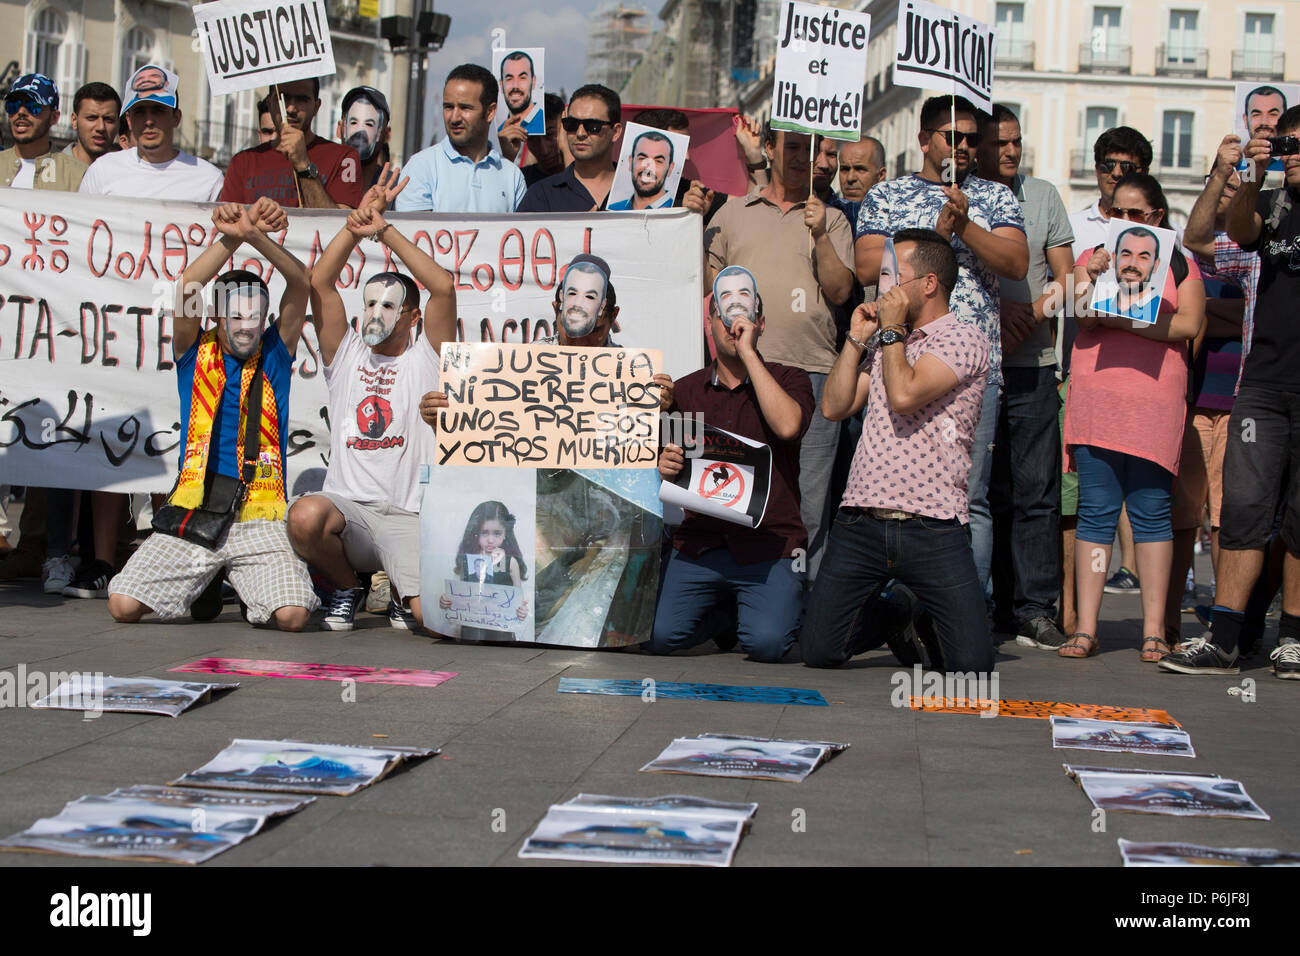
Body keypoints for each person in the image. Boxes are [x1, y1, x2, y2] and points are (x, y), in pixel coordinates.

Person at [106, 198, 317, 630]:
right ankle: (209, 580)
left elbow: (301, 281)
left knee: (293, 617)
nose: (245, 326)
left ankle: (236, 583)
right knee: (123, 607)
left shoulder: (276, 352)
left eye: (255, 317)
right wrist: (231, 238)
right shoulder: (192, 350)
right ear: (217, 315)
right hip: (197, 506)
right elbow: (187, 287)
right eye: (235, 315)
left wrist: (256, 237)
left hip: (257, 511)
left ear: (266, 319)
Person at [856, 95, 1028, 594]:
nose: (966, 147)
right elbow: (865, 268)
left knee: (969, 499)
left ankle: (964, 613)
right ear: (925, 139)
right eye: (954, 137)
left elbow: (1016, 264)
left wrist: (966, 226)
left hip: (974, 370)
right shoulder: (887, 196)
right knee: (897, 494)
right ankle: (901, 608)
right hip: (896, 361)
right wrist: (934, 235)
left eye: (974, 138)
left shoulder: (994, 197)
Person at [803, 229, 993, 674]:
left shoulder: (963, 339)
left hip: (934, 526)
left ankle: (919, 607)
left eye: (895, 277)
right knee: (819, 651)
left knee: (970, 668)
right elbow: (833, 407)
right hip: (861, 521)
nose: (884, 289)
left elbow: (906, 394)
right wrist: (856, 339)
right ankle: (896, 613)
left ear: (928, 283)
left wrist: (889, 333)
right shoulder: (890, 343)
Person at [72, 65, 224, 600]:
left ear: (176, 116)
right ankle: (99, 558)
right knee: (108, 438)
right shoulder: (105, 171)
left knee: (173, 438)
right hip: (114, 322)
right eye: (140, 112)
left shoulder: (205, 176)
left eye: (159, 111)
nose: (149, 121)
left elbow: (214, 253)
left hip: (176, 323)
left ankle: (166, 551)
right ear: (129, 121)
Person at [1161, 108, 1300, 678]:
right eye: (1285, 140)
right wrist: (1243, 179)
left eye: (1298, 142)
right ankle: (1222, 638)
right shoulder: (1269, 208)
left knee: (1299, 520)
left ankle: (1292, 638)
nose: (1290, 149)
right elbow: (1213, 237)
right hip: (1262, 384)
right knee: (1242, 510)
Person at [287, 166, 455, 631]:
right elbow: (319, 282)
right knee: (303, 516)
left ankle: (403, 594)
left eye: (387, 305)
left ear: (411, 316)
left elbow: (443, 286)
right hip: (351, 513)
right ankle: (347, 587)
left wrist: (385, 231)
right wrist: (354, 224)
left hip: (407, 515)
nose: (374, 314)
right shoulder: (346, 355)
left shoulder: (426, 356)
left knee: (428, 621)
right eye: (368, 303)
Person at [706, 123, 855, 582]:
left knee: (809, 500)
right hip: (742, 375)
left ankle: (805, 601)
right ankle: (740, 594)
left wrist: (821, 236)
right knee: (736, 488)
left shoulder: (832, 219)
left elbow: (840, 288)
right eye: (793, 146)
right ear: (768, 148)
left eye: (812, 150)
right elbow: (705, 294)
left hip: (812, 373)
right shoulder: (731, 214)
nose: (803, 158)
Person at [1065, 172, 1205, 661]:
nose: (1122, 221)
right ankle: (1086, 629)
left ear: (1156, 218)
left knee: (1151, 514)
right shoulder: (1092, 259)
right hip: (1098, 401)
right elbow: (1082, 313)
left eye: (1134, 214)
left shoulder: (1180, 265)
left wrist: (1122, 319)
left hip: (1153, 404)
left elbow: (1188, 324)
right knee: (1096, 512)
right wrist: (1092, 275)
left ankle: (1153, 631)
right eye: (1114, 212)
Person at [648, 266, 813, 661]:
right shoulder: (685, 391)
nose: (733, 322)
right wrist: (664, 460)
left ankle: (761, 610)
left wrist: (749, 354)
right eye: (723, 310)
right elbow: (664, 467)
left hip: (769, 547)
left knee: (767, 645)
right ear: (710, 322)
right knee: (660, 638)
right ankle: (724, 616)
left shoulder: (791, 379)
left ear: (760, 322)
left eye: (745, 310)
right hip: (702, 545)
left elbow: (788, 426)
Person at [976, 104, 1075, 651]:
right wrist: (996, 318)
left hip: (1035, 370)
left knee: (1037, 493)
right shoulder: (962, 199)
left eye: (1017, 141)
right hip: (975, 371)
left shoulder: (1043, 198)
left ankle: (1036, 609)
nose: (1012, 151)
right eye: (1001, 143)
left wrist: (1032, 313)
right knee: (984, 493)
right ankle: (985, 602)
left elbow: (1071, 280)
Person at [0, 73, 87, 595]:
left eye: (33, 105)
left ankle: (57, 552)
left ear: (54, 115)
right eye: (14, 103)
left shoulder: (77, 175)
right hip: (3, 326)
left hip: (52, 331)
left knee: (50, 436)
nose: (21, 112)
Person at [1166, 146, 1249, 647]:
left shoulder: (1258, 248)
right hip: (1193, 399)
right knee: (1182, 517)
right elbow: (1178, 312)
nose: (1227, 194)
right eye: (1221, 184)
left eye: (1237, 186)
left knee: (1229, 520)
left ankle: (1224, 626)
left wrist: (1209, 314)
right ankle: (1170, 624)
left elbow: (1247, 315)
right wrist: (1222, 314)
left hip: (1243, 402)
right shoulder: (1189, 254)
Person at [1067, 127, 1154, 601]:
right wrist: (1088, 275)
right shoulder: (1077, 225)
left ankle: (1137, 573)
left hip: (1143, 376)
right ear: (1096, 168)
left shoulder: (1164, 235)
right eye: (1109, 166)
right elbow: (1067, 299)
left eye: (1129, 168)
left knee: (1146, 493)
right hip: (1085, 369)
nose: (1117, 175)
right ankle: (1079, 612)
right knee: (1089, 494)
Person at [396, 64, 525, 214]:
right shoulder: (421, 167)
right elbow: (414, 234)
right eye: (448, 107)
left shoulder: (512, 176)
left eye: (465, 108)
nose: (454, 118)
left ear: (490, 112)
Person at [220, 77, 362, 209]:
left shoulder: (344, 158)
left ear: (317, 107)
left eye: (302, 99)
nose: (291, 109)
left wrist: (303, 164)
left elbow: (337, 227)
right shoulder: (242, 162)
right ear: (270, 104)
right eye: (283, 98)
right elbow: (228, 227)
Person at [518, 84, 623, 212]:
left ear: (616, 132)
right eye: (571, 124)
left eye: (592, 126)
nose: (580, 133)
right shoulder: (540, 195)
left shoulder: (638, 188)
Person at [438, 501, 530, 641]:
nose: (490, 540)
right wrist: (446, 600)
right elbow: (457, 591)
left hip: (501, 630)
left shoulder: (510, 562)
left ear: (506, 534)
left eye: (497, 533)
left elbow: (518, 598)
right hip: (472, 629)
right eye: (485, 533)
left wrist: (521, 610)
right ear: (476, 533)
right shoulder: (468, 560)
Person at [1092, 226, 1164, 323]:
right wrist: (1093, 281)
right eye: (1126, 255)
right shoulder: (1098, 306)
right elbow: (1086, 323)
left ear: (1156, 264)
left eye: (1143, 257)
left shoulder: (1162, 310)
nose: (1132, 264)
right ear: (1114, 258)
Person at [336, 86, 391, 189]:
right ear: (340, 129)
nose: (360, 132)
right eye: (353, 122)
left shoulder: (397, 189)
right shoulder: (320, 179)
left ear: (386, 135)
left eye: (369, 124)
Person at [609, 129, 675, 210]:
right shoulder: (612, 210)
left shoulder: (679, 210)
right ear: (630, 162)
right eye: (642, 158)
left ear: (670, 169)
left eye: (658, 161)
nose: (649, 167)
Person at [63, 82, 120, 165]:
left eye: (108, 119)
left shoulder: (127, 174)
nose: (101, 127)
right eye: (92, 118)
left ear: (118, 124)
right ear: (74, 121)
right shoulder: (49, 172)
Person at [517, 92, 565, 185]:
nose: (544, 150)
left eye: (551, 135)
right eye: (533, 139)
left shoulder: (591, 175)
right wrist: (508, 156)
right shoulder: (520, 182)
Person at [498, 51, 542, 132]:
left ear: (533, 81)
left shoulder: (545, 123)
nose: (515, 86)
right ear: (501, 85)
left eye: (522, 78)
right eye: (509, 79)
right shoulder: (500, 132)